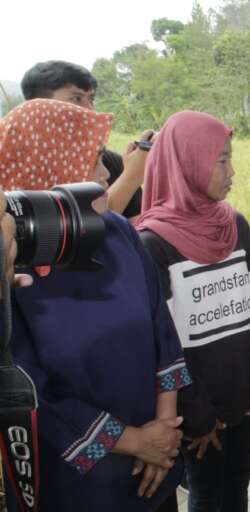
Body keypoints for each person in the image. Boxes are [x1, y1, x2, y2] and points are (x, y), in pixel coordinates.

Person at [0, 99, 189, 511]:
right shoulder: (11, 269)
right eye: (91, 161)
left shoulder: (118, 231)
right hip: (77, 480)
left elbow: (162, 329)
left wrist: (164, 434)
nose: (107, 174)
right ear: (47, 172)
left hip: (154, 462)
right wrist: (136, 442)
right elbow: (28, 390)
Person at [136, 111, 250, 512]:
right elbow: (164, 346)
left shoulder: (235, 225)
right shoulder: (153, 244)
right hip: (198, 411)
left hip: (246, 396)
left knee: (238, 488)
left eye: (230, 157)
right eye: (221, 160)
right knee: (206, 496)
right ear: (188, 163)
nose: (231, 170)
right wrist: (197, 415)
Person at [21, 60, 150, 219]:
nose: (89, 110)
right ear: (37, 106)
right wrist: (132, 176)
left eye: (91, 100)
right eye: (76, 99)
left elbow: (134, 230)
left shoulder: (113, 164)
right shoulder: (21, 167)